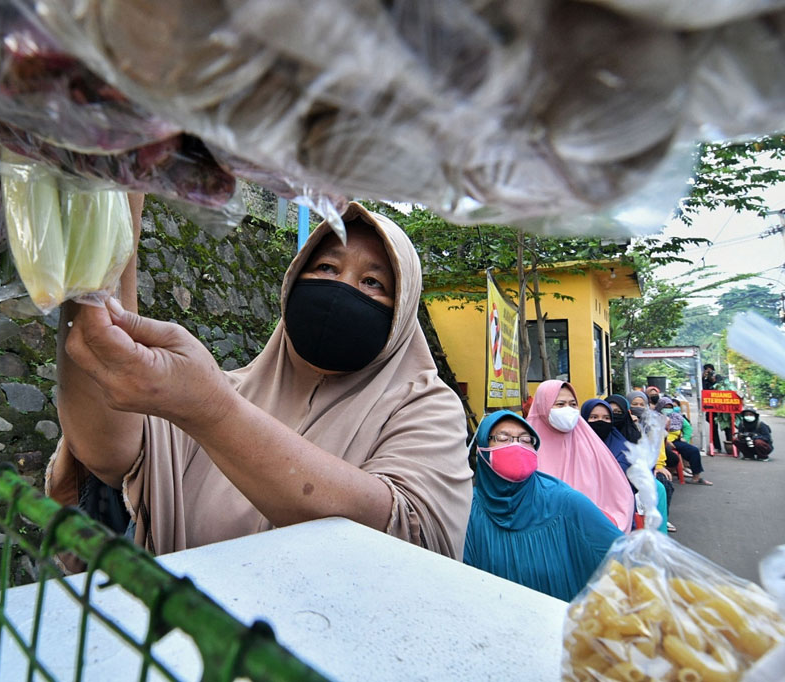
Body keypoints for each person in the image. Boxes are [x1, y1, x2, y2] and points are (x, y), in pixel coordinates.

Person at [49, 200, 474, 557]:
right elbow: (105, 447)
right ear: (293, 282)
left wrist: (213, 413)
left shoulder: (425, 408)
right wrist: (114, 223)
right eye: (326, 267)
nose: (343, 288)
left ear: (401, 312)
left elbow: (410, 539)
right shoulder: (224, 390)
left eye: (372, 282)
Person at [463, 411, 623, 602]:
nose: (516, 445)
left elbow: (625, 558)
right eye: (502, 437)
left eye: (525, 439)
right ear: (482, 448)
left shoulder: (565, 502)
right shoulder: (467, 509)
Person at [525, 380, 635, 532]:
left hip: (588, 532)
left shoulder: (589, 443)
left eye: (573, 404)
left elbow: (619, 495)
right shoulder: (525, 443)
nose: (568, 410)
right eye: (560, 404)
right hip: (540, 534)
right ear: (543, 406)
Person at [586, 398, 674, 533]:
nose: (600, 421)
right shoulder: (577, 443)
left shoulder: (628, 438)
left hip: (622, 492)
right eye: (593, 417)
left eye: (616, 413)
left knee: (659, 487)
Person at [659, 397, 712, 486]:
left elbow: (687, 428)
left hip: (675, 441)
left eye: (670, 407)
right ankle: (668, 476)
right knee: (671, 457)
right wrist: (667, 441)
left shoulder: (677, 417)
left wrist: (686, 438)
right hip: (661, 442)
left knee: (693, 450)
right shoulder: (655, 417)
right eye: (665, 407)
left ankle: (696, 477)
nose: (668, 410)